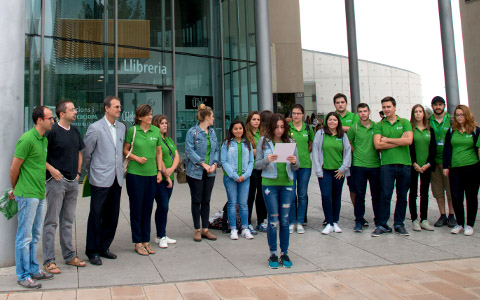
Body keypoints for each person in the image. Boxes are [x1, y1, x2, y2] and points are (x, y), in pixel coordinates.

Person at [10, 106, 55, 289]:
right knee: (24, 236)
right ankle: (23, 275)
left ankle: (33, 269)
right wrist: (17, 189)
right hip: (27, 194)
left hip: (39, 193)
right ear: (39, 120)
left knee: (35, 235)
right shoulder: (27, 139)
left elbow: (37, 162)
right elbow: (14, 168)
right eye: (50, 118)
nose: (52, 121)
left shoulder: (43, 139)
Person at [43, 100, 86, 275]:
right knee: (51, 221)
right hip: (56, 182)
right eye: (72, 109)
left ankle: (69, 255)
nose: (75, 112)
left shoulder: (75, 131)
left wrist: (77, 173)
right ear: (62, 113)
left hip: (72, 181)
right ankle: (49, 260)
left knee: (68, 221)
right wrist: (52, 170)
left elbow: (79, 153)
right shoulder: (51, 131)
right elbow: (40, 155)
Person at [83, 96, 125, 265]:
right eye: (116, 106)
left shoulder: (122, 127)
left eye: (120, 106)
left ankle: (104, 247)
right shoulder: (95, 128)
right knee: (96, 215)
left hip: (117, 178)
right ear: (106, 108)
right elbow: (86, 153)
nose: (119, 109)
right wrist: (91, 170)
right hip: (100, 178)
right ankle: (92, 251)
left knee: (112, 215)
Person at [255, 113, 299, 268]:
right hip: (270, 183)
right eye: (276, 127)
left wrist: (293, 162)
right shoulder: (264, 141)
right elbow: (258, 164)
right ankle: (273, 253)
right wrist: (268, 160)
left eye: (282, 127)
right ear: (271, 127)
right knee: (273, 220)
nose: (279, 130)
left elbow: (297, 165)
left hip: (286, 183)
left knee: (285, 220)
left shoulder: (290, 141)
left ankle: (284, 252)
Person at [123, 104, 162, 255]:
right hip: (135, 175)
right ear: (139, 117)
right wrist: (136, 158)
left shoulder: (156, 131)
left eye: (151, 114)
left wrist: (159, 171)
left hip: (151, 174)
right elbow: (125, 150)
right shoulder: (133, 131)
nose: (150, 117)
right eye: (147, 115)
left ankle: (146, 241)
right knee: (136, 209)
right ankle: (138, 242)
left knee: (148, 209)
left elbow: (158, 152)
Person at [372, 96, 413, 237]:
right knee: (385, 196)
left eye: (388, 107)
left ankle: (399, 224)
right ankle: (382, 225)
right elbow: (378, 145)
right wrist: (399, 141)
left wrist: (388, 140)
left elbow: (409, 141)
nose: (386, 109)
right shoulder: (379, 125)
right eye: (384, 107)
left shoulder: (405, 122)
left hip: (404, 165)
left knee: (402, 196)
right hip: (387, 166)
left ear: (395, 107)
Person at [443, 105, 480, 236]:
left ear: (467, 115)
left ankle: (469, 225)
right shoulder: (452, 130)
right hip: (455, 168)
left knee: (471, 196)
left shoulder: (475, 130)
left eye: (461, 115)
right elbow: (447, 148)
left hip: (472, 167)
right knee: (456, 196)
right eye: (457, 115)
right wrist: (446, 166)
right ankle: (459, 223)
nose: (459, 117)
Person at [313, 112, 352, 235]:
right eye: (330, 120)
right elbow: (315, 152)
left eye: (335, 120)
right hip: (325, 171)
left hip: (338, 172)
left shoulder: (343, 135)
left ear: (338, 122)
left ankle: (335, 221)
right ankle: (328, 222)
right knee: (326, 196)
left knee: (336, 196)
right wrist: (318, 170)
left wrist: (343, 169)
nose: (332, 122)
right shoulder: (320, 134)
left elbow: (347, 152)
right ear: (326, 121)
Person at [185, 104, 219, 242]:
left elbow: (216, 149)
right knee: (196, 200)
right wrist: (203, 164)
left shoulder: (212, 132)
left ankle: (205, 228)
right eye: (212, 116)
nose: (213, 118)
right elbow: (189, 150)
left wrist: (214, 164)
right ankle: (197, 229)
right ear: (206, 117)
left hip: (210, 172)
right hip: (195, 172)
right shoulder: (193, 132)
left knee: (206, 200)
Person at [347, 103, 381, 233]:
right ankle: (359, 220)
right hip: (359, 165)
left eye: (365, 111)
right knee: (359, 194)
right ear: (357, 113)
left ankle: (378, 220)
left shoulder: (376, 126)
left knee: (376, 195)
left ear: (369, 112)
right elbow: (348, 142)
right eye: (360, 111)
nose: (363, 113)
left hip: (375, 165)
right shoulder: (354, 127)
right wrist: (356, 152)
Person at [221, 120, 255, 240]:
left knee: (243, 204)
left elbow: (251, 161)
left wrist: (245, 175)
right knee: (232, 203)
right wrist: (234, 175)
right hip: (230, 178)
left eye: (240, 128)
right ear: (231, 130)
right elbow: (223, 161)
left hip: (244, 178)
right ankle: (233, 229)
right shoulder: (227, 143)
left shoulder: (248, 143)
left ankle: (245, 228)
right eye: (235, 129)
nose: (238, 131)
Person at [429, 96, 456, 227]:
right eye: (435, 105)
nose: (438, 107)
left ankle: (452, 215)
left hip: (449, 162)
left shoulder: (451, 120)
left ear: (444, 105)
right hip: (434, 161)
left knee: (450, 190)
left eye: (440, 104)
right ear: (432, 106)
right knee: (438, 191)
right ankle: (443, 215)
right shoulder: (428, 121)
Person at [408, 104, 436, 231]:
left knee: (424, 192)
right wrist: (414, 164)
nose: (418, 114)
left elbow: (433, 148)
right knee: (413, 192)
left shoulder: (430, 130)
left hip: (426, 166)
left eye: (420, 111)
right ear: (413, 114)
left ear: (424, 114)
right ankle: (414, 219)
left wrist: (428, 164)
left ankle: (424, 219)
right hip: (413, 166)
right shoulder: (410, 129)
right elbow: (409, 148)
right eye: (416, 112)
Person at [152, 115, 178, 248]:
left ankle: (161, 234)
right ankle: (161, 235)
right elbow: (159, 158)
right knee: (163, 206)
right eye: (162, 123)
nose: (165, 125)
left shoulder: (168, 139)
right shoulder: (156, 140)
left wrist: (172, 169)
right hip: (161, 178)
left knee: (164, 207)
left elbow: (177, 155)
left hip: (170, 177)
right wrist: (166, 174)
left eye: (166, 123)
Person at [288, 104, 315, 234]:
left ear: (303, 114)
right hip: (291, 166)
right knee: (291, 195)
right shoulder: (288, 128)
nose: (296, 116)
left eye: (298, 113)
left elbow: (311, 145)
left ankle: (300, 221)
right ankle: (291, 221)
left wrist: (303, 154)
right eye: (294, 113)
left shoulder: (308, 128)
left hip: (305, 166)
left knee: (302, 194)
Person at [333, 93, 360, 214]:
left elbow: (356, 130)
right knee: (333, 190)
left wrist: (337, 125)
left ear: (346, 103)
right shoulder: (331, 116)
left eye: (342, 102)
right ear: (334, 104)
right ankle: (331, 215)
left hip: (352, 157)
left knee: (353, 188)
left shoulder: (354, 116)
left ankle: (357, 213)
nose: (340, 104)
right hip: (334, 158)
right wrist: (347, 128)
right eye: (338, 102)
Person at [245, 111, 264, 233]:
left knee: (261, 196)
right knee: (250, 196)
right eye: (254, 119)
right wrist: (256, 151)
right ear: (249, 121)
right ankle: (247, 222)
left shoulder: (263, 134)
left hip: (262, 168)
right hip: (251, 170)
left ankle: (261, 221)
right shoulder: (245, 134)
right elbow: (245, 152)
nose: (256, 122)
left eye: (258, 119)